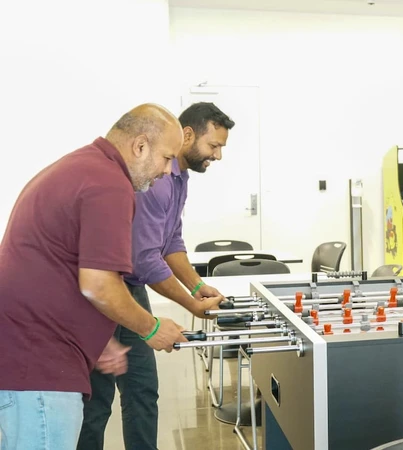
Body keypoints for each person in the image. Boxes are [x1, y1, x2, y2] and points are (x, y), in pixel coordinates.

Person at [0, 104, 189, 450]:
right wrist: (152, 327)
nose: (167, 171)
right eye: (166, 158)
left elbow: (59, 269)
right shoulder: (109, 184)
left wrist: (100, 341)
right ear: (140, 145)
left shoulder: (81, 168)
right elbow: (99, 283)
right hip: (39, 370)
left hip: (27, 361)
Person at [77, 102, 236, 449]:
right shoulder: (156, 180)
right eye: (214, 146)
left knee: (142, 388)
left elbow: (170, 242)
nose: (218, 156)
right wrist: (190, 304)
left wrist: (197, 286)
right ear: (188, 135)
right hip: (106, 291)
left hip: (128, 289)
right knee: (98, 399)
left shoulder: (178, 178)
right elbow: (145, 259)